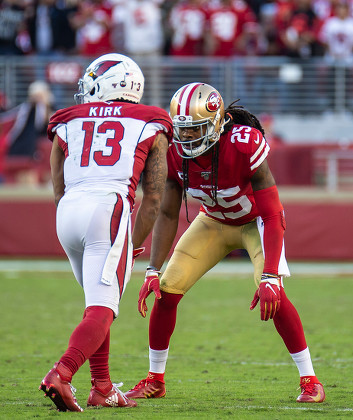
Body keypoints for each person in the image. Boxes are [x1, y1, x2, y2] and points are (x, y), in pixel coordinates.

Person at [126, 82, 325, 404]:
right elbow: (166, 212)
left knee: (274, 298)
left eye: (197, 129)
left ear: (217, 123)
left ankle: (310, 380)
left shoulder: (244, 144)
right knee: (166, 289)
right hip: (213, 222)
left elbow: (274, 214)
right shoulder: (172, 150)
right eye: (183, 129)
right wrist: (152, 268)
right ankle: (155, 379)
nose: (188, 137)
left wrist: (271, 276)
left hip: (256, 222)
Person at [39, 53, 173, 412]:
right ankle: (62, 373)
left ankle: (102, 387)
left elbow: (58, 183)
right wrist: (133, 241)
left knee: (97, 303)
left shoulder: (66, 120)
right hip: (108, 209)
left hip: (68, 211)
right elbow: (154, 199)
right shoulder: (151, 121)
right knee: (103, 307)